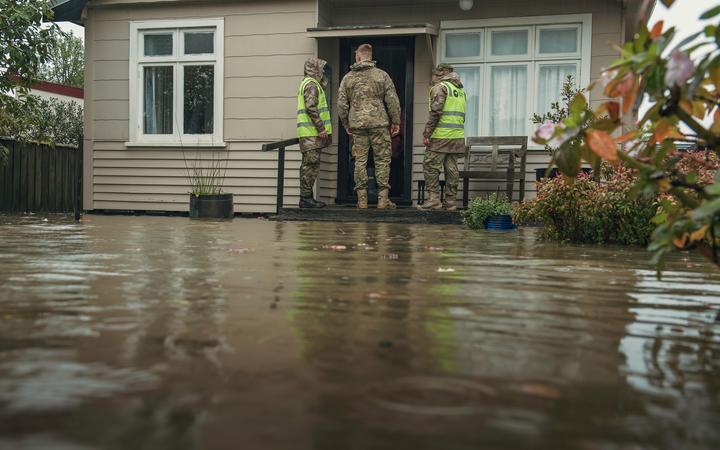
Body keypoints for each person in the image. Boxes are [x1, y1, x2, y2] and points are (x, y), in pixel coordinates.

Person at [337, 43, 401, 209]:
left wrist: (346, 123)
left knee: (360, 161)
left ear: (358, 56)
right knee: (382, 160)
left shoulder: (348, 78)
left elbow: (341, 105)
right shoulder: (382, 75)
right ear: (370, 56)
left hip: (357, 124)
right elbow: (392, 100)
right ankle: (382, 200)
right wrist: (396, 121)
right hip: (379, 123)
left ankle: (362, 200)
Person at [418, 63, 466, 211]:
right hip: (457, 136)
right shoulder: (459, 90)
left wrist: (427, 133)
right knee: (451, 168)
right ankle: (450, 202)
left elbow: (436, 112)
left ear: (439, 74)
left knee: (430, 165)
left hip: (441, 136)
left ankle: (433, 200)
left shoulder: (440, 88)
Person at [297, 57, 332, 208]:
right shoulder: (311, 85)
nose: (323, 71)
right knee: (309, 166)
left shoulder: (312, 83)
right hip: (311, 134)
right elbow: (310, 107)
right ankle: (305, 199)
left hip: (311, 134)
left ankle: (307, 198)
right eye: (321, 68)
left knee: (311, 166)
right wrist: (321, 128)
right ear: (314, 69)